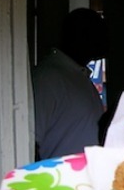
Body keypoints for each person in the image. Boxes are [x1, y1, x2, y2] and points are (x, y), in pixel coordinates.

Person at [33, 8, 108, 160]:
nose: (103, 40)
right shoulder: (48, 78)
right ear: (78, 36)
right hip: (57, 181)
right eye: (95, 33)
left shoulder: (77, 75)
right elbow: (31, 143)